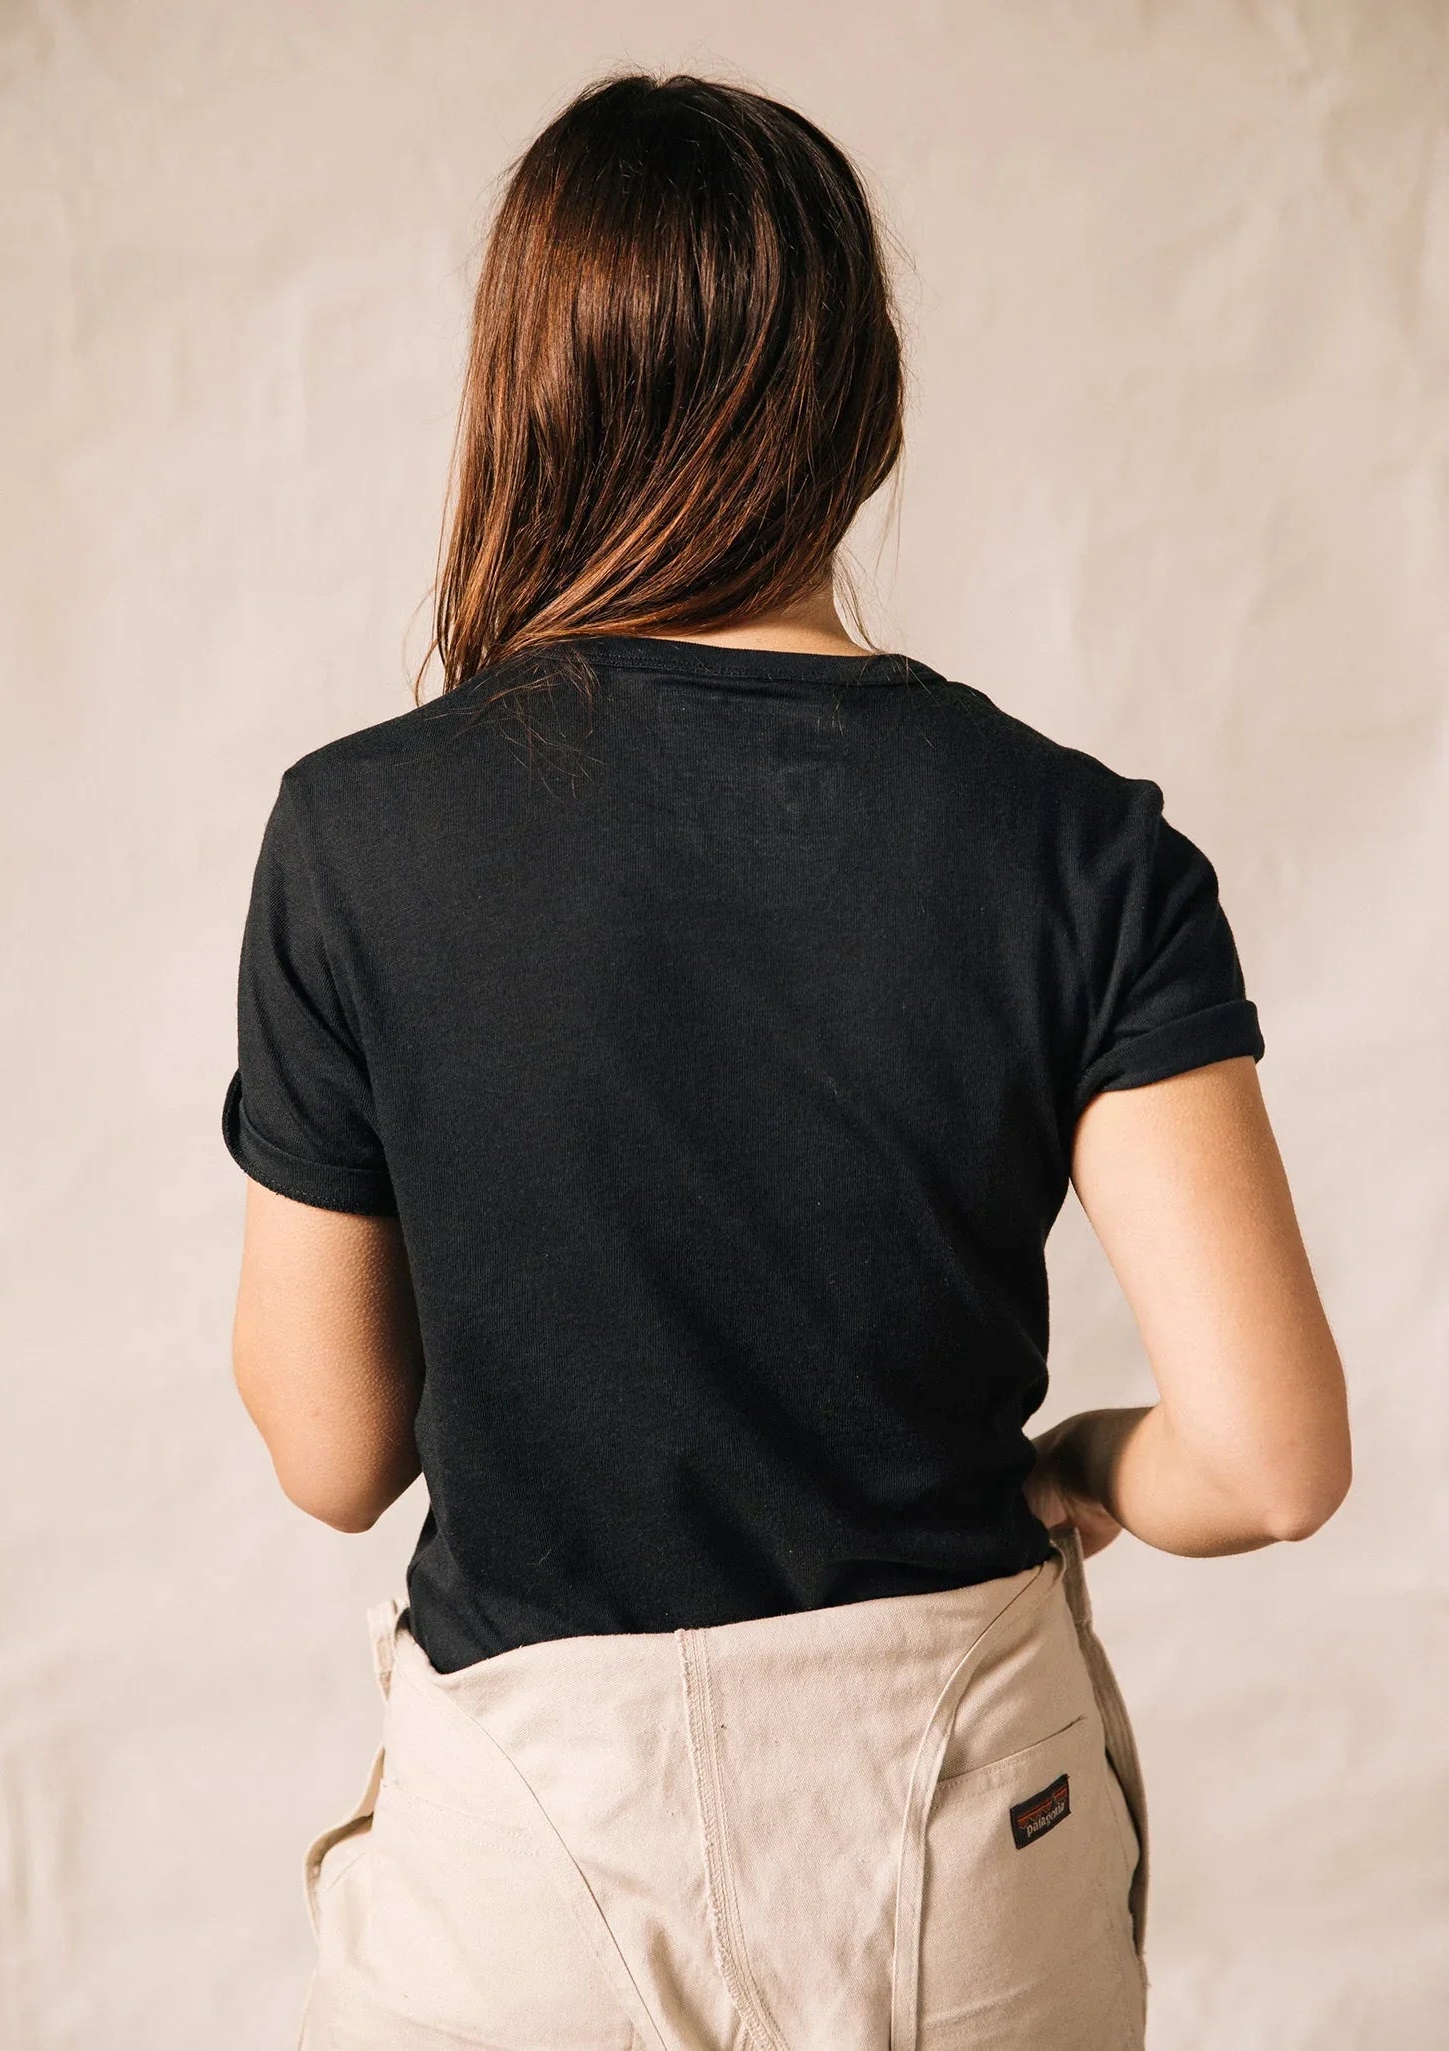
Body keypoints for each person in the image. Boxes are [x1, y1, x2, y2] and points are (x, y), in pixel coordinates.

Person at [221, 70, 1350, 2051]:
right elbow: (1267, 1459)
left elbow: (332, 1456)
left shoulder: (357, 838)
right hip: (965, 1828)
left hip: (530, 1857)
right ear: (870, 400)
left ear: (528, 400)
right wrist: (1091, 1462)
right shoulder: (1077, 844)